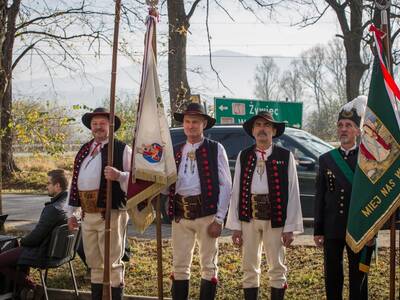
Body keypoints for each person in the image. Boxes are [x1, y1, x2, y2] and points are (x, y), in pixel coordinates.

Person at [226, 111, 303, 300]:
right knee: (249, 267)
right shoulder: (244, 156)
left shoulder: (285, 156)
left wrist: (290, 227)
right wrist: (235, 226)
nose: (262, 129)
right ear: (253, 131)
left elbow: (293, 192)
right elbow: (236, 190)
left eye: (267, 125)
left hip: (275, 219)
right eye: (258, 125)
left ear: (274, 131)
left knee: (277, 267)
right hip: (248, 217)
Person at [167, 102, 232, 300]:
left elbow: (226, 185)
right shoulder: (176, 150)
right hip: (180, 216)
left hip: (207, 216)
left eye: (195, 121)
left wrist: (219, 219)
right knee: (179, 264)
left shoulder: (215, 149)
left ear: (204, 124)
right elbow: (167, 183)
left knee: (208, 265)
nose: (190, 125)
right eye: (187, 121)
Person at [66, 107, 131, 300]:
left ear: (111, 126)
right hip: (87, 215)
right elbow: (75, 182)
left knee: (111, 262)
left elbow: (135, 179)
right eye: (95, 124)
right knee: (94, 263)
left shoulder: (121, 148)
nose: (98, 127)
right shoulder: (84, 150)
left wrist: (119, 175)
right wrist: (71, 213)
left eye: (102, 123)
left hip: (110, 213)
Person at [314, 97, 374, 299]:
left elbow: (372, 196)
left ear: (358, 130)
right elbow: (320, 197)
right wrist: (318, 230)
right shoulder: (326, 160)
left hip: (358, 227)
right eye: (340, 125)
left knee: (359, 278)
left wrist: (372, 230)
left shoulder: (367, 160)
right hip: (332, 227)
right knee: (332, 276)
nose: (343, 129)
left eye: (348, 125)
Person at [0, 169, 69, 297]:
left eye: (48, 183)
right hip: (58, 252)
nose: (46, 186)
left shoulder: (53, 209)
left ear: (57, 186)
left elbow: (36, 237)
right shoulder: (67, 205)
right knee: (14, 251)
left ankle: (33, 287)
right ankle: (20, 292)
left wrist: (22, 241)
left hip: (42, 252)